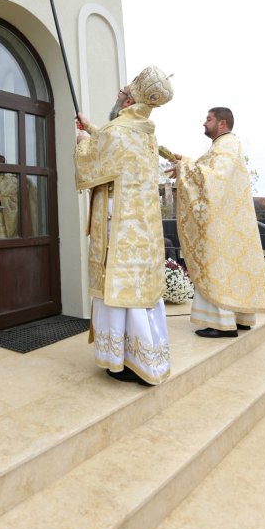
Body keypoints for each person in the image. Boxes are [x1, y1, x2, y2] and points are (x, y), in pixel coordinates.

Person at [74, 66, 174, 385]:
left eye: (121, 93)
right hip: (141, 227)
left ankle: (124, 360)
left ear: (129, 100)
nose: (117, 98)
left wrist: (81, 141)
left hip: (117, 226)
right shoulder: (145, 133)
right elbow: (111, 145)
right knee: (138, 290)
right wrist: (91, 127)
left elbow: (94, 165)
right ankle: (145, 357)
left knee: (116, 287)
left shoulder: (118, 131)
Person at [171, 107, 265, 337]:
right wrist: (184, 163)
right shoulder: (225, 145)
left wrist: (185, 168)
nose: (204, 123)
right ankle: (240, 318)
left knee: (217, 268)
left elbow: (214, 179)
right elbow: (207, 168)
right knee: (232, 271)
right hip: (230, 223)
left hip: (220, 224)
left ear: (222, 122)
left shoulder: (226, 145)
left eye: (208, 119)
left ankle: (222, 324)